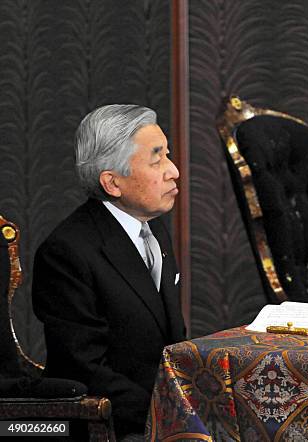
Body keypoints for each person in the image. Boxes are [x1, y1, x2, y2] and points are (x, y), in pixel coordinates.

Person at [32, 104, 186, 440]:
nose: (173, 171)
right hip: (110, 426)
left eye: (168, 155)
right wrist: (173, 416)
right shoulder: (67, 252)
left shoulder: (154, 230)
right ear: (113, 183)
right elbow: (84, 368)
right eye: (157, 159)